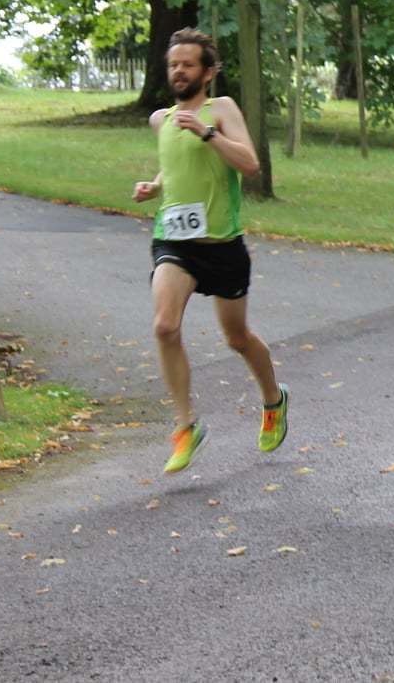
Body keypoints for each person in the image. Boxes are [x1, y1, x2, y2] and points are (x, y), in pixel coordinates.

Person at [132, 28, 288, 474]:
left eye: (187, 64)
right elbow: (174, 164)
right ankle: (186, 426)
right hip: (174, 241)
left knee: (237, 338)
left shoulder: (220, 110)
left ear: (208, 72)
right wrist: (155, 186)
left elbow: (250, 164)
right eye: (173, 64)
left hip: (222, 245)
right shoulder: (160, 120)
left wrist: (207, 133)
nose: (178, 71)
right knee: (165, 326)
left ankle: (273, 399)